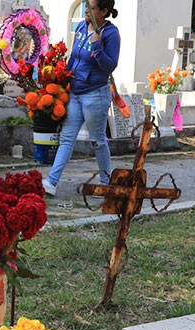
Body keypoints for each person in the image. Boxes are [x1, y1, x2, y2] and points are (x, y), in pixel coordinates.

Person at [42, 0, 120, 196]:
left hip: (95, 94)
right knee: (67, 138)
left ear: (104, 11)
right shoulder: (81, 26)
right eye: (87, 7)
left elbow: (109, 66)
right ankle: (52, 182)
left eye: (92, 8)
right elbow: (74, 57)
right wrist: (61, 79)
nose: (87, 11)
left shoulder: (110, 34)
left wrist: (97, 45)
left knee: (97, 141)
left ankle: (106, 182)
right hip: (75, 92)